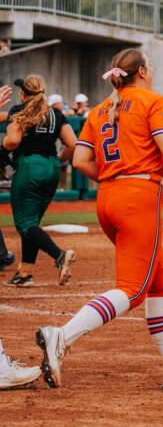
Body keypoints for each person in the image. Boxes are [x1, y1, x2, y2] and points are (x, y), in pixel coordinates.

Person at [36, 49, 163, 391]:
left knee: (158, 283)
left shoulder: (101, 109)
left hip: (109, 198)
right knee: (133, 288)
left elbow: (83, 160)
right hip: (138, 199)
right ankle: (62, 336)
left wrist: (116, 176)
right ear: (142, 71)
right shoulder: (152, 101)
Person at [2, 78, 78, 288]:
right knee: (31, 223)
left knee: (25, 224)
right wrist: (59, 161)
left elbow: (13, 141)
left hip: (29, 167)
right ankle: (25, 274)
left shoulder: (19, 110)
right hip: (51, 168)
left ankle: (59, 255)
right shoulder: (55, 113)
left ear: (23, 94)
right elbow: (72, 144)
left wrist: (2, 152)